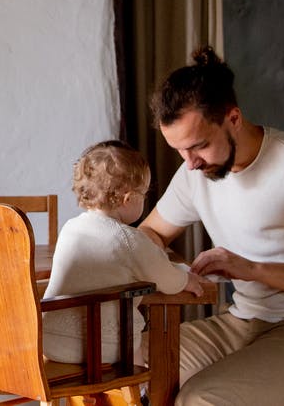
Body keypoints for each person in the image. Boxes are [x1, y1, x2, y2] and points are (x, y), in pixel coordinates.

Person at [138, 46, 284, 406]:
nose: (189, 164)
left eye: (199, 146)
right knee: (124, 365)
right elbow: (149, 234)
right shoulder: (194, 173)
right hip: (242, 322)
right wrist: (173, 271)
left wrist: (252, 270)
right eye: (179, 150)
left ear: (233, 118)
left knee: (201, 400)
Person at [42, 140, 209, 365]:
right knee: (135, 350)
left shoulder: (70, 228)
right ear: (128, 199)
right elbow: (166, 278)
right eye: (144, 193)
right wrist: (187, 279)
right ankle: (138, 394)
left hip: (50, 341)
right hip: (100, 347)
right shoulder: (129, 240)